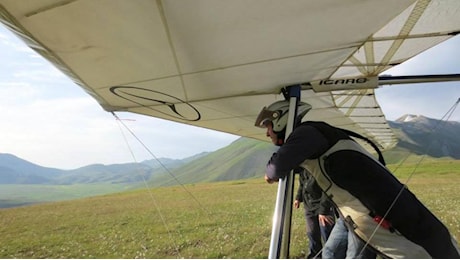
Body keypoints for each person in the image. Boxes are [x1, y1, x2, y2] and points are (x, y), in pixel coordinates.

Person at [255, 100, 460, 258]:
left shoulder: (306, 133)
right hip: (352, 213)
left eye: (269, 126)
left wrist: (271, 170)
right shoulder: (311, 133)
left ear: (282, 120)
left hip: (373, 210)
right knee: (330, 253)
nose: (267, 133)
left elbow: (275, 169)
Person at [294, 168, 335, 258]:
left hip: (324, 207)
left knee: (327, 235)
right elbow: (302, 185)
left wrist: (323, 211)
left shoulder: (319, 168)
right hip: (309, 207)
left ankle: (332, 257)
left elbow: (327, 190)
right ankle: (315, 256)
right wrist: (298, 198)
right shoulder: (303, 169)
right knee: (312, 233)